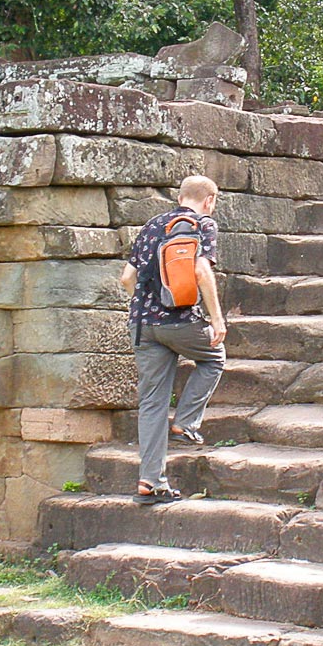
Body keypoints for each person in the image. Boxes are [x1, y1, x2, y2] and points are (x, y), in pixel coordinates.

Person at [119, 175, 227, 505]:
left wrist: (145, 307)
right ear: (209, 199)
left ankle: (151, 483)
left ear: (180, 196)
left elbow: (127, 277)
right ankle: (187, 423)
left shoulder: (152, 225)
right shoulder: (203, 224)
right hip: (179, 322)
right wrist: (217, 318)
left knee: (152, 403)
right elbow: (201, 272)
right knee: (214, 357)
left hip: (142, 326)